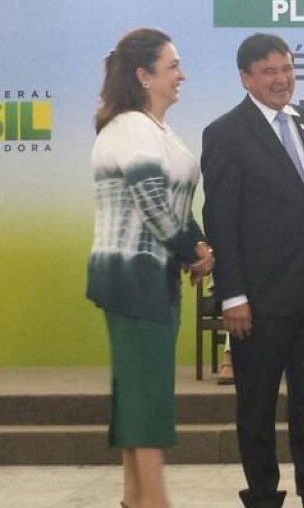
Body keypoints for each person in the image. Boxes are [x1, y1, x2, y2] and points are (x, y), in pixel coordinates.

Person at [201, 33, 304, 508]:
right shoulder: (225, 133)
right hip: (258, 301)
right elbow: (220, 219)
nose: (282, 79)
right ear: (246, 78)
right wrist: (232, 294)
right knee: (257, 407)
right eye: (269, 72)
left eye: (287, 69)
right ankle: (263, 495)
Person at [86, 27, 214, 508]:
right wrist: (191, 251)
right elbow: (153, 202)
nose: (182, 75)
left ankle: (136, 499)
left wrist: (197, 243)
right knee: (146, 394)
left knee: (140, 389)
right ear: (144, 75)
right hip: (133, 276)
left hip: (151, 277)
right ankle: (155, 501)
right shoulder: (131, 127)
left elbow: (177, 204)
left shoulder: (155, 128)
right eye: (173, 65)